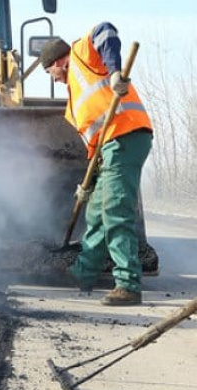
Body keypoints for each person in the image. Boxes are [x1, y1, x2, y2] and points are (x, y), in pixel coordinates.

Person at [40, 23, 153, 306]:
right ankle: (84, 273)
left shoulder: (80, 54)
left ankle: (128, 285)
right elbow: (94, 144)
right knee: (96, 214)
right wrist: (86, 185)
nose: (52, 78)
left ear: (58, 61)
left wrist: (115, 72)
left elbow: (106, 31)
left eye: (49, 72)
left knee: (115, 210)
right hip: (108, 149)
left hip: (126, 136)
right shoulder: (72, 103)